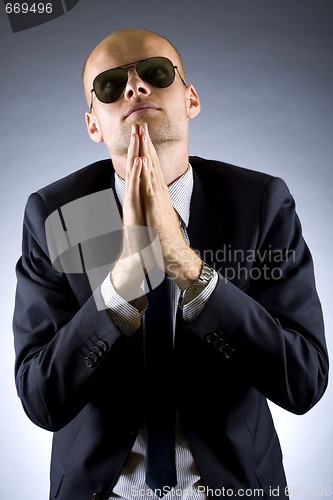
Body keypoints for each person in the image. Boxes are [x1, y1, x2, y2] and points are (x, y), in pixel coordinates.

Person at [13, 27, 329, 500]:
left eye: (155, 73)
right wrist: (119, 290)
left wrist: (190, 271)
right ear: (93, 124)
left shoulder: (261, 203)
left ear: (191, 99)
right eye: (110, 85)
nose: (135, 88)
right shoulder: (55, 215)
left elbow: (304, 380)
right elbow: (41, 398)